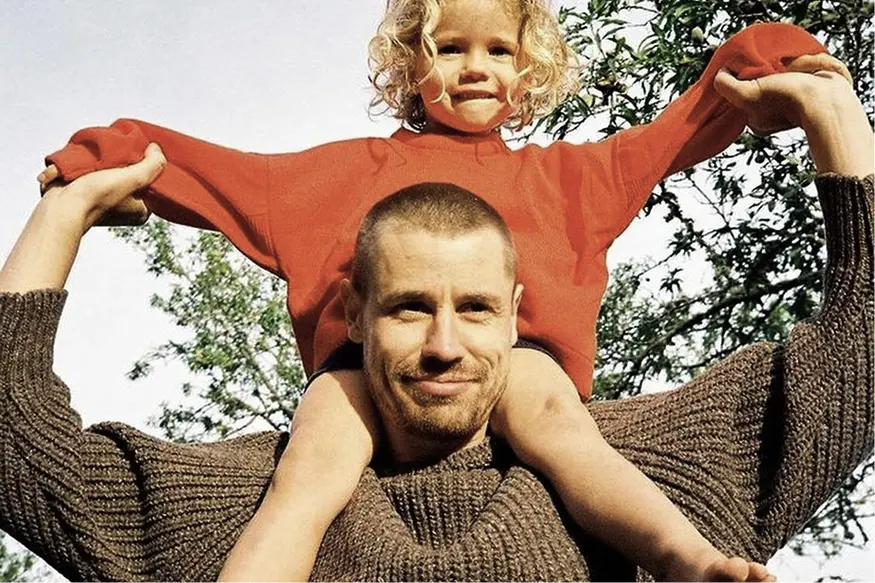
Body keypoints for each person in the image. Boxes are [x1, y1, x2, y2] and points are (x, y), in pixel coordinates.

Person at [34, 2, 857, 580]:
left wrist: (770, 59)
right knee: (304, 481)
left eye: (497, 50)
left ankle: (684, 558)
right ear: (406, 62)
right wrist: (102, 157)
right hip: (362, 374)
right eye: (449, 46)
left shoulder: (571, 178)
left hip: (515, 365)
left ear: (527, 66)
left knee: (563, 429)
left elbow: (680, 125)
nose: (475, 68)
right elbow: (212, 172)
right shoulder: (333, 177)